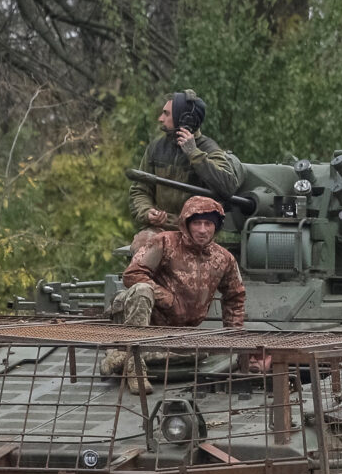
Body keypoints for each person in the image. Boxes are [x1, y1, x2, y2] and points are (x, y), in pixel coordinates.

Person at [103, 195, 245, 393]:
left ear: (216, 227)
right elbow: (133, 274)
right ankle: (135, 368)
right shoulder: (165, 242)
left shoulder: (224, 258)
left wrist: (234, 339)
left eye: (208, 224)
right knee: (142, 289)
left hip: (175, 332)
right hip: (142, 319)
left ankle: (122, 355)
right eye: (197, 223)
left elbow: (235, 296)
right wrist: (167, 298)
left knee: (199, 353)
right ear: (186, 224)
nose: (202, 230)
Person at [128, 89, 242, 251]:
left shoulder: (209, 150)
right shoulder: (156, 148)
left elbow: (228, 186)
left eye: (166, 114)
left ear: (185, 120)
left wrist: (194, 154)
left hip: (198, 232)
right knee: (144, 246)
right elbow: (140, 190)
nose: (160, 119)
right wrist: (147, 212)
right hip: (161, 229)